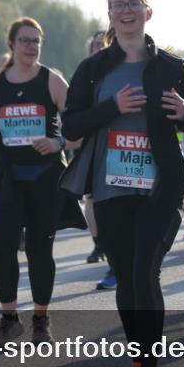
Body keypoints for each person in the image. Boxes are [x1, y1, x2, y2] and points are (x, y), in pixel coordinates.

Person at [61, 0, 184, 367]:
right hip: (110, 189)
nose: (126, 11)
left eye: (133, 4)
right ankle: (140, 364)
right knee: (127, 276)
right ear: (109, 15)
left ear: (148, 12)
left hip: (160, 187)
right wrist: (113, 107)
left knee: (145, 272)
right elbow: (70, 127)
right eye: (118, 5)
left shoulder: (172, 67)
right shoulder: (94, 70)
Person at [0, 17, 80, 345]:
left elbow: (77, 125)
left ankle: (40, 319)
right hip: (7, 173)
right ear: (12, 44)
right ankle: (8, 319)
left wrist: (58, 143)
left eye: (36, 41)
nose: (31, 46)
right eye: (25, 40)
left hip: (44, 174)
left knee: (39, 249)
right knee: (2, 247)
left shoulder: (52, 81)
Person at [81, 30, 119, 290]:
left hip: (132, 150)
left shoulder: (127, 70)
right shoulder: (86, 73)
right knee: (95, 202)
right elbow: (73, 119)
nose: (98, 47)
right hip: (97, 151)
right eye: (93, 45)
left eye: (101, 43)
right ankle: (109, 256)